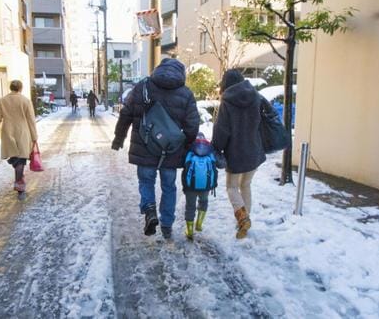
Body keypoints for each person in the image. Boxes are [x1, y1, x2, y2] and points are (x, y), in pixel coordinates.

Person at [112, 58, 199, 239]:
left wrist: (119, 138)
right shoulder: (186, 94)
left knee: (146, 182)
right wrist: (186, 145)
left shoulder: (142, 87)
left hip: (144, 147)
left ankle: (149, 210)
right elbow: (192, 126)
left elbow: (126, 113)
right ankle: (167, 225)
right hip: (171, 150)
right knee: (169, 187)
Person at [212, 69, 276, 239]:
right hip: (255, 150)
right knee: (245, 185)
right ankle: (244, 221)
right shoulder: (255, 96)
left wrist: (216, 148)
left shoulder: (227, 101)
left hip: (236, 153)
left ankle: (242, 218)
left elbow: (221, 130)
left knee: (231, 187)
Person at [0, 80, 38, 199]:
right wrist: (34, 136)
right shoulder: (25, 101)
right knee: (21, 160)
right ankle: (19, 187)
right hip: (22, 132)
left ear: (11, 88)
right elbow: (31, 120)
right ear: (20, 88)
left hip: (8, 132)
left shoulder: (2, 101)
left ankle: (15, 167)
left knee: (15, 157)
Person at [182, 132, 223, 240]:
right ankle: (199, 223)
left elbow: (183, 164)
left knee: (190, 206)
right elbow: (221, 164)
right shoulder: (210, 152)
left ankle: (189, 231)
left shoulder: (190, 151)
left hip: (191, 186)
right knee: (203, 202)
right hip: (205, 186)